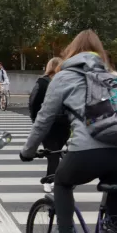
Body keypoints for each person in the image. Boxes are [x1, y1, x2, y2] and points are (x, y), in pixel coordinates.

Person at [20, 30, 117, 233]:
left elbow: (45, 118)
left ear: (71, 52)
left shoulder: (64, 76)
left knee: (62, 183)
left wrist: (28, 151)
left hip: (87, 150)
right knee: (116, 225)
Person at [28, 57, 69, 193]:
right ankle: (51, 180)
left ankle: (51, 179)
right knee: (54, 153)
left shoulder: (46, 82)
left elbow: (33, 103)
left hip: (55, 125)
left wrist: (36, 120)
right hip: (58, 124)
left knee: (54, 153)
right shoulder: (58, 83)